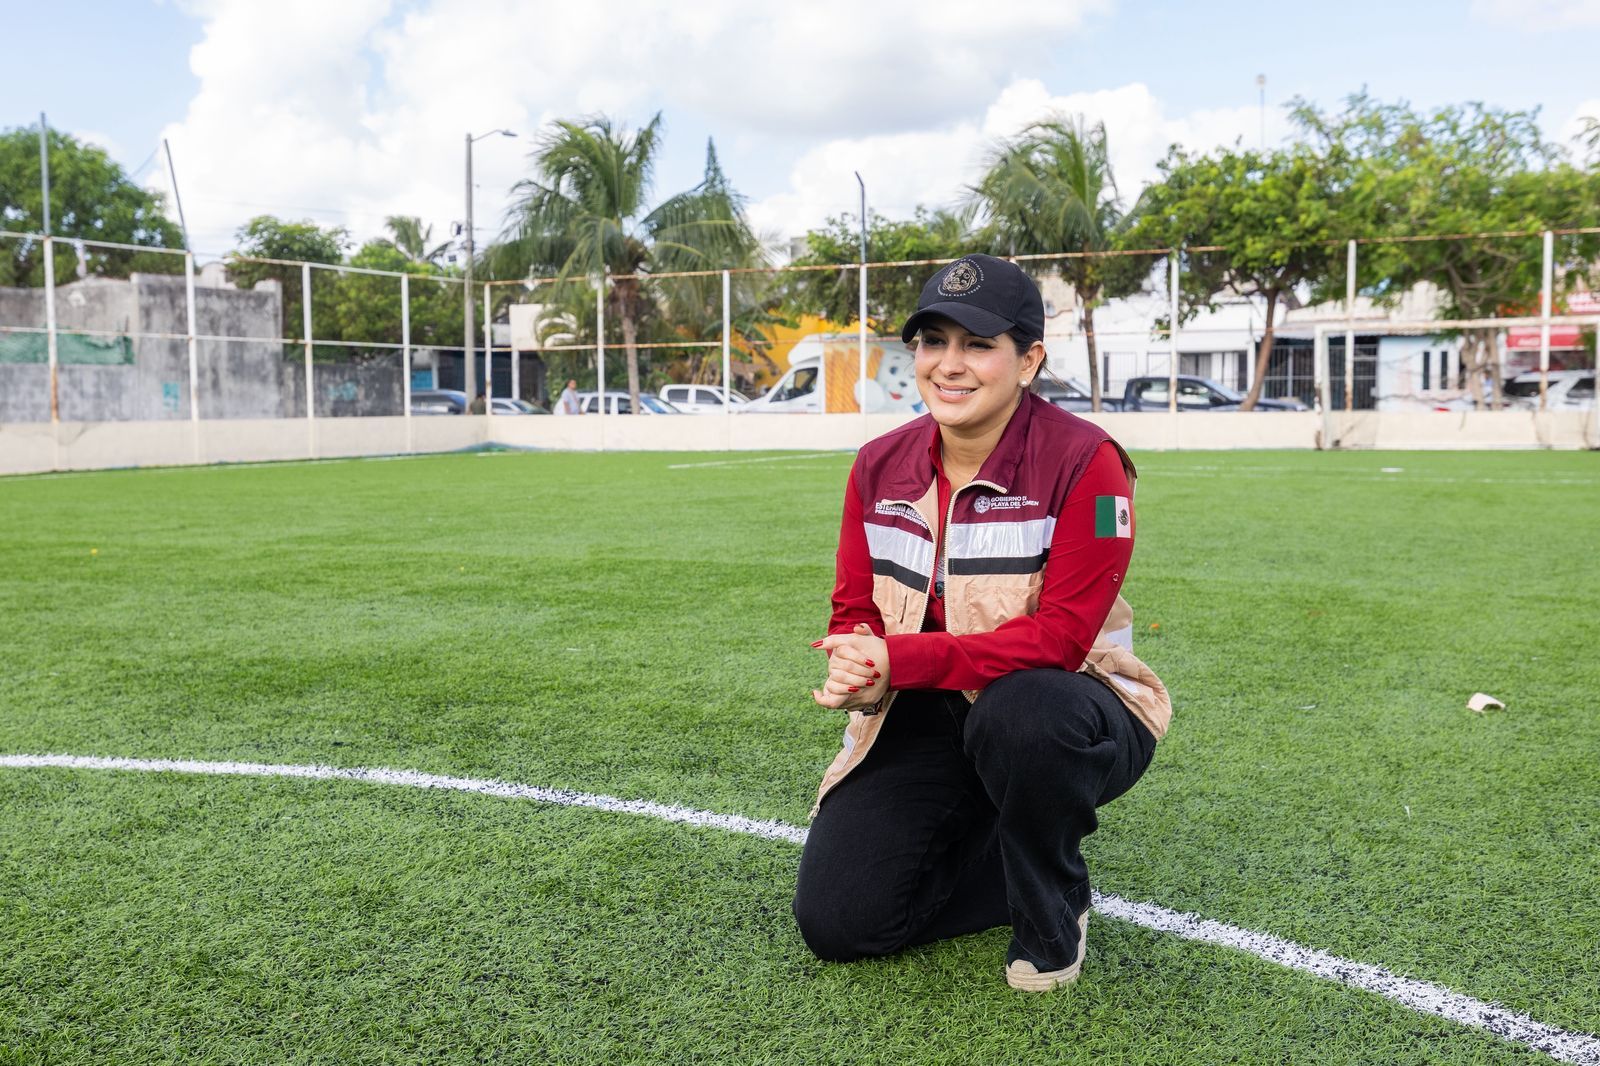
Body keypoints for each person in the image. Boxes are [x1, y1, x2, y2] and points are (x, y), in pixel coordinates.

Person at [792, 254, 1171, 991]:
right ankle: (1002, 845)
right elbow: (855, 608)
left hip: (1068, 708)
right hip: (927, 710)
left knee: (1022, 712)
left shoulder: (1088, 462)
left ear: (1028, 360)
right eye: (933, 341)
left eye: (977, 344)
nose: (949, 364)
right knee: (841, 922)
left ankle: (1052, 902)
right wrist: (861, 668)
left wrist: (902, 661)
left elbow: (1060, 640)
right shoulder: (877, 464)